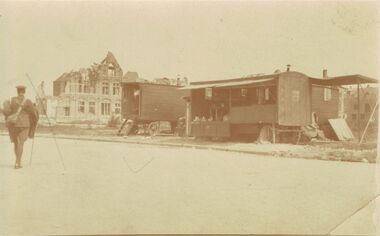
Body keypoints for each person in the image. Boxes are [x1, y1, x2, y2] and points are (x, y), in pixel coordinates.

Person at [2, 85, 39, 169]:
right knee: (20, 143)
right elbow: (33, 114)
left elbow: (8, 112)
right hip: (24, 124)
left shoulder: (12, 100)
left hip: (14, 124)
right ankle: (17, 163)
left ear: (17, 91)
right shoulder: (28, 101)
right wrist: (35, 121)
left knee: (16, 143)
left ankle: (18, 161)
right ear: (24, 91)